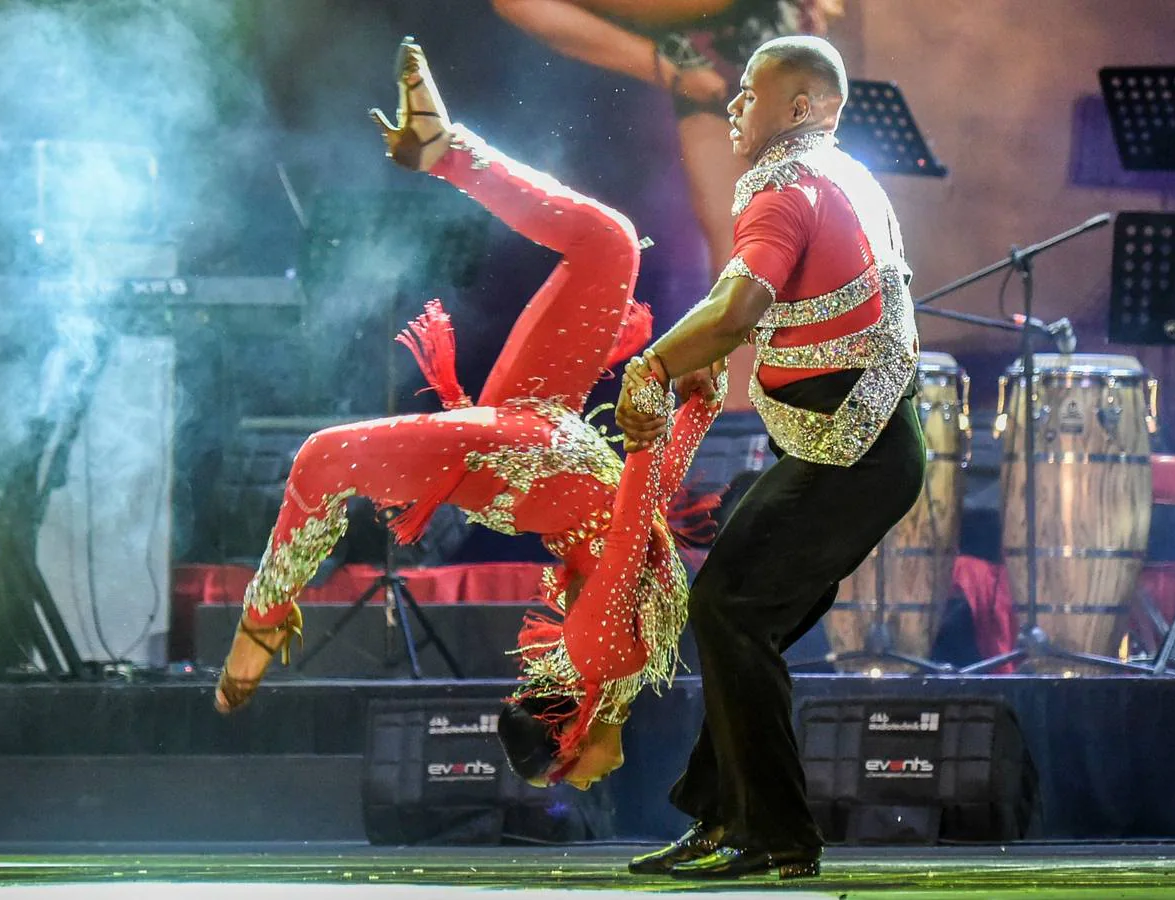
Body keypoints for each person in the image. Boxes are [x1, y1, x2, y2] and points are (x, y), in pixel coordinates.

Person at [213, 37, 726, 792]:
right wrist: (695, 410)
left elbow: (628, 532)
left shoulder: (604, 657)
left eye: (565, 775)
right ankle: (442, 148)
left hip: (525, 463)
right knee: (608, 246)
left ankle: (263, 614)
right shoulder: (620, 672)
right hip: (549, 431)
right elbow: (641, 523)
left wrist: (658, 420)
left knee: (324, 459)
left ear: (573, 734)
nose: (581, 781)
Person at [615, 36, 926, 879]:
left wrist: (651, 365)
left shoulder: (783, 183)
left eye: (749, 92)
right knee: (736, 621)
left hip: (851, 452)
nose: (732, 106)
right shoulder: (844, 172)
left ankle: (777, 834)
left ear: (799, 107)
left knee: (729, 611)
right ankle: (725, 819)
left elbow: (736, 304)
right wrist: (708, 342)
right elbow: (762, 304)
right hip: (862, 448)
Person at [490, 0, 846, 405]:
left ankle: (757, 424)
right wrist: (666, 69)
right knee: (746, 259)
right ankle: (739, 426)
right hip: (682, 81)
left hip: (750, 58)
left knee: (777, 256)